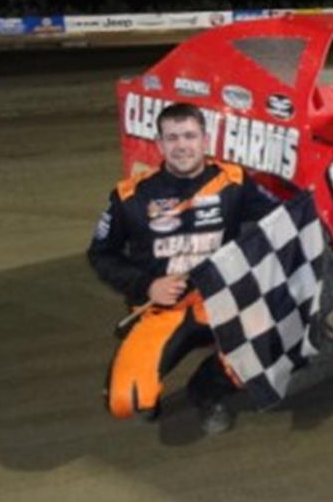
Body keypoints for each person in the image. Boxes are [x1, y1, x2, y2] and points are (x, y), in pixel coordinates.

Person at [88, 102, 278, 434]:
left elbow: (280, 219)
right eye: (172, 138)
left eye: (189, 136)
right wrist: (147, 285)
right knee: (125, 400)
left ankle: (207, 390)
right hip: (162, 308)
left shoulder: (233, 181)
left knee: (273, 343)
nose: (182, 146)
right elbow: (101, 255)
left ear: (205, 140)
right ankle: (144, 379)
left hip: (219, 302)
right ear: (159, 145)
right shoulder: (130, 196)